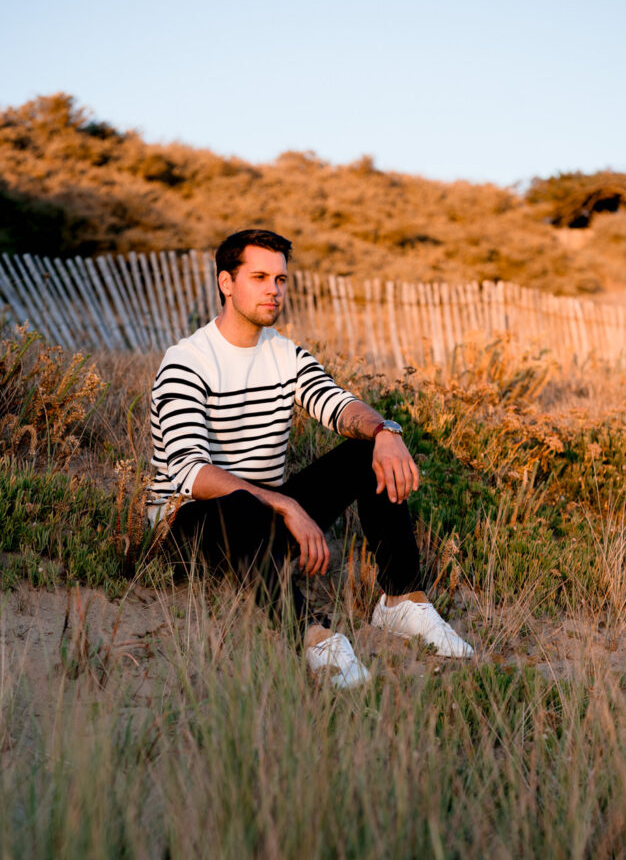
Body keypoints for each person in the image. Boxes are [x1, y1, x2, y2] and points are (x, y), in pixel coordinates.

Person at [147, 228, 473, 687]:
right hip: (192, 528)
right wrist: (284, 504)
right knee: (242, 506)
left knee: (366, 452)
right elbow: (189, 470)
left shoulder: (285, 354)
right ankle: (312, 634)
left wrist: (384, 431)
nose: (272, 290)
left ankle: (401, 601)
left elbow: (337, 405)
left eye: (280, 280)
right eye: (259, 277)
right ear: (226, 283)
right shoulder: (187, 361)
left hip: (267, 522)